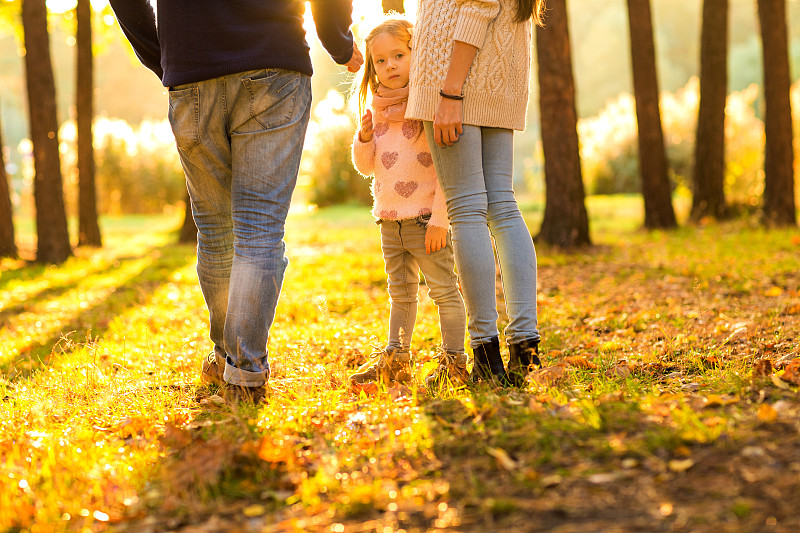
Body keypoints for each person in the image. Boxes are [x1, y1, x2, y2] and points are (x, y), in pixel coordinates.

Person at [108, 0, 363, 403]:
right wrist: (339, 43)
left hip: (192, 74)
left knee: (216, 231)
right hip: (273, 62)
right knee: (257, 227)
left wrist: (169, 57)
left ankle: (228, 357)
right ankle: (243, 371)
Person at [406, 0, 546, 387]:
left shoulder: (453, 88)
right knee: (502, 205)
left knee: (467, 209)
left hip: (459, 80)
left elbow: (478, 6)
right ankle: (525, 349)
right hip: (495, 78)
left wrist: (450, 92)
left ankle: (486, 353)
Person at [349, 19, 469, 389]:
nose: (391, 66)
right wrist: (364, 139)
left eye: (399, 55)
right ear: (372, 68)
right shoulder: (376, 110)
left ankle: (454, 361)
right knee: (400, 294)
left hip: (424, 221)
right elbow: (367, 167)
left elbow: (448, 172)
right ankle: (397, 357)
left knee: (444, 291)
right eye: (381, 61)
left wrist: (440, 221)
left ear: (416, 55)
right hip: (389, 221)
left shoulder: (428, 105)